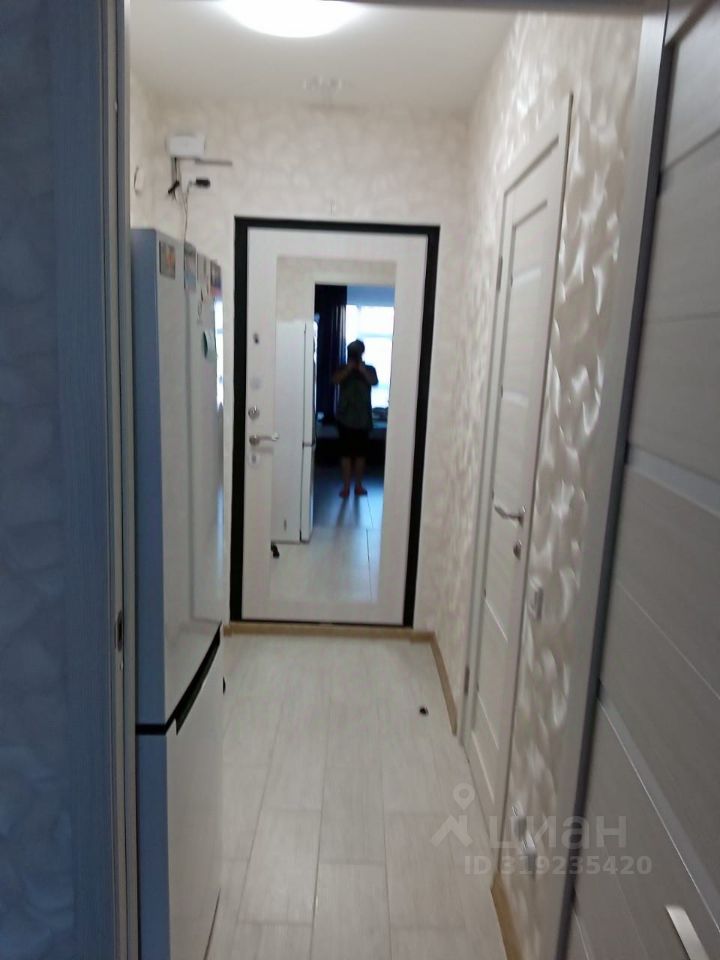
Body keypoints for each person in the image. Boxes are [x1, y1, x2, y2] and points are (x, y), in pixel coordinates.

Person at [333, 339, 378, 498]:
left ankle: (358, 486)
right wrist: (349, 369)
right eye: (352, 351)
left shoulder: (369, 368)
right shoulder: (343, 368)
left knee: (360, 455)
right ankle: (346, 487)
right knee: (345, 455)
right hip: (345, 418)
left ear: (362, 353)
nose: (353, 354)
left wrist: (362, 370)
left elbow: (374, 382)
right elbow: (335, 380)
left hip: (363, 419)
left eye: (356, 351)